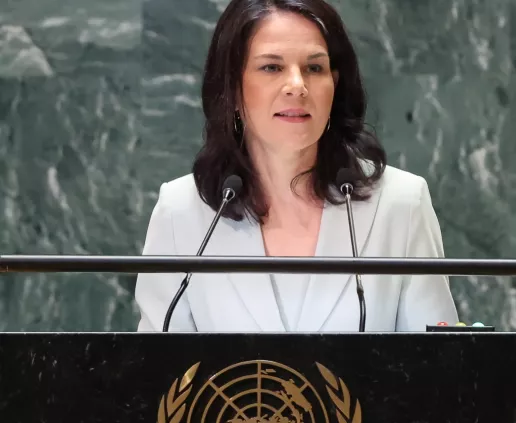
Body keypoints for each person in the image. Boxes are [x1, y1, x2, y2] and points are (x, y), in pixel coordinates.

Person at [134, 0, 459, 332]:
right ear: (232, 87)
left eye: (314, 68)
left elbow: (434, 372)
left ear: (336, 84)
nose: (297, 86)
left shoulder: (401, 204)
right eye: (272, 67)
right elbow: (156, 375)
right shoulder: (181, 212)